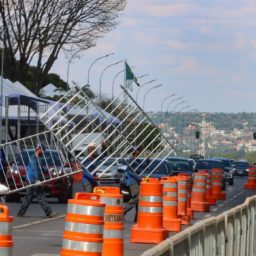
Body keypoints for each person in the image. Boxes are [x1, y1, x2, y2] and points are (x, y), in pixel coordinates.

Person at [17, 144, 56, 218]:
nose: (43, 152)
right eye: (42, 150)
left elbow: (41, 169)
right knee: (41, 196)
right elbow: (35, 170)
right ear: (38, 149)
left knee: (28, 197)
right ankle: (49, 213)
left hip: (32, 180)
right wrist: (38, 180)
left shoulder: (38, 159)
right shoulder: (33, 158)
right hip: (33, 180)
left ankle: (20, 212)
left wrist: (49, 170)